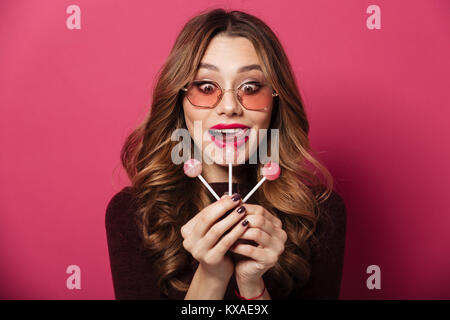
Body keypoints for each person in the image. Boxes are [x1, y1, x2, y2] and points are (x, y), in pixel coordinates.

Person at [105, 8, 346, 300]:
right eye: (206, 87)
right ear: (180, 101)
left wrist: (252, 284)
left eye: (251, 87)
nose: (230, 106)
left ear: (275, 102)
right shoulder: (137, 215)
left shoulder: (317, 214)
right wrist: (212, 275)